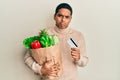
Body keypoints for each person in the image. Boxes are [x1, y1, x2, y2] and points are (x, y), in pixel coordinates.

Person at [24, 3, 89, 80]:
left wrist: (79, 58)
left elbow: (84, 62)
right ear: (54, 16)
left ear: (70, 19)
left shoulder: (78, 35)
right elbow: (27, 57)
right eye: (60, 15)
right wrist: (40, 69)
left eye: (67, 17)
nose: (63, 20)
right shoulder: (44, 34)